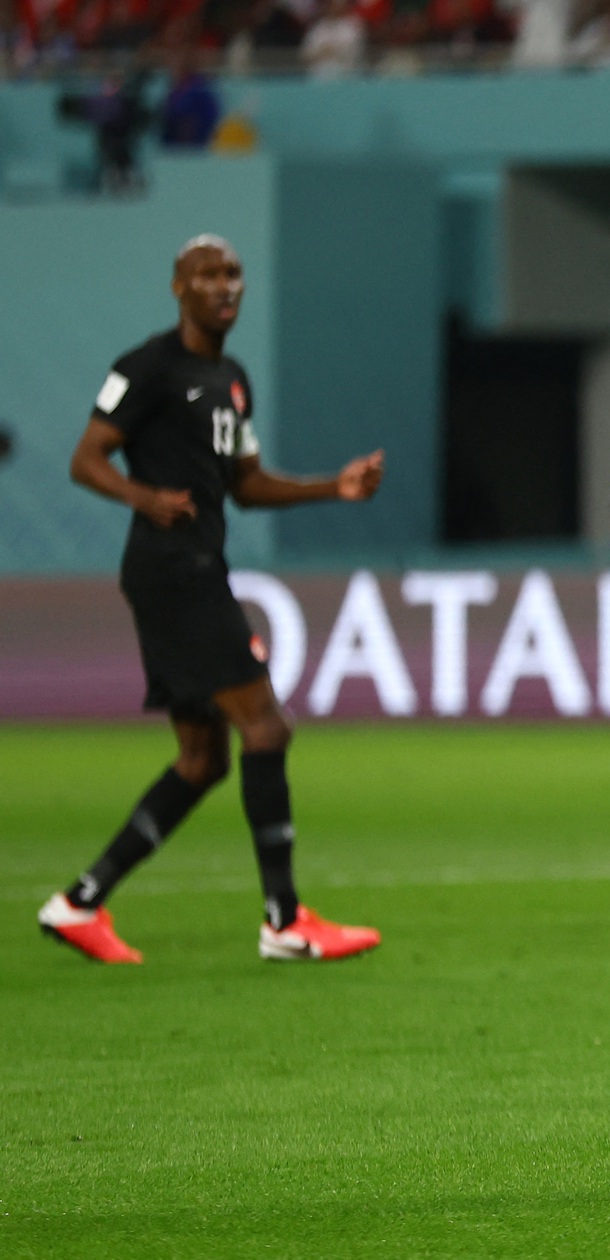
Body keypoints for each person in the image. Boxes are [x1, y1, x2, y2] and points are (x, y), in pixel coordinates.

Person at [39, 235, 388, 965]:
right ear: (178, 286)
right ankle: (284, 920)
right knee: (266, 729)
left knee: (203, 758)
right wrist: (141, 495)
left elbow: (246, 485)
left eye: (232, 273)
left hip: (195, 565)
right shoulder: (149, 367)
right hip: (175, 570)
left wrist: (335, 485)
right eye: (208, 274)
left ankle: (79, 903)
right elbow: (86, 456)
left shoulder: (230, 377)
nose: (224, 285)